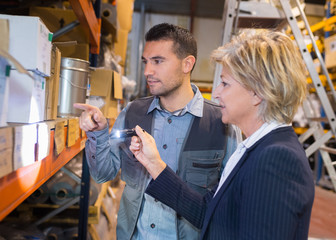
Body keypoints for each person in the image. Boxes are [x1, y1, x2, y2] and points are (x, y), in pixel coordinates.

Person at [129, 29, 315, 240]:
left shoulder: (276, 159)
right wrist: (155, 165)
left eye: (225, 83)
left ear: (257, 92)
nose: (216, 93)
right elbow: (209, 212)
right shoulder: (254, 148)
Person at [74, 23, 239, 240]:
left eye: (158, 61)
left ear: (187, 64)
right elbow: (102, 173)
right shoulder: (133, 113)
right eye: (146, 62)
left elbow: (231, 203)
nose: (147, 72)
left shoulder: (221, 123)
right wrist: (98, 133)